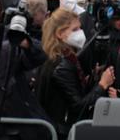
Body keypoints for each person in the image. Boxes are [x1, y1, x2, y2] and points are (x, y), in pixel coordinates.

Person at [37, 9, 110, 137]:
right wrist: (102, 85)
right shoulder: (62, 65)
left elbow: (69, 91)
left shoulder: (63, 58)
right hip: (61, 130)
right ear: (60, 34)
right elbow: (78, 105)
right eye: (75, 29)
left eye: (80, 28)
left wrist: (92, 79)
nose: (80, 33)